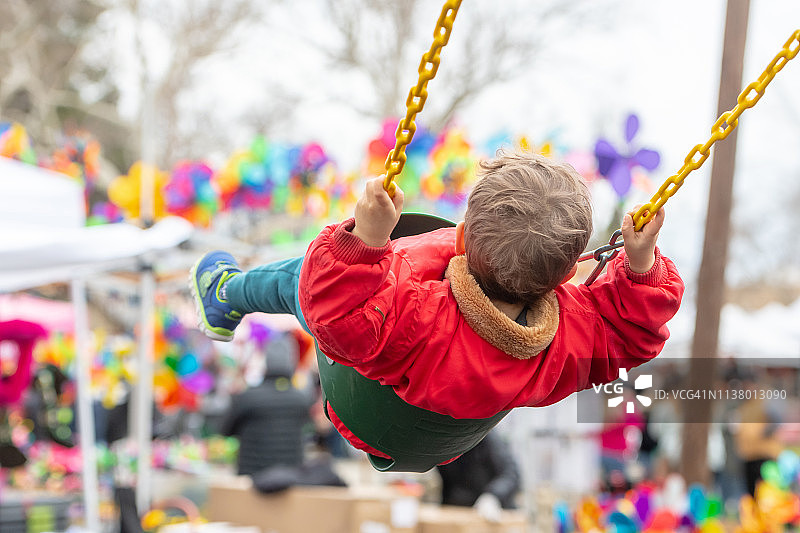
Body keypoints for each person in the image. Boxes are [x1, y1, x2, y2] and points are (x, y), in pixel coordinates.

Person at [191, 150, 684, 463]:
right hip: (432, 444)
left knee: (302, 278)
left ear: (463, 237)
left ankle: (225, 294)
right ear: (567, 274)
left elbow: (334, 308)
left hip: (362, 413)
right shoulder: (570, 344)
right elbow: (632, 333)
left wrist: (365, 241)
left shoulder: (414, 318)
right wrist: (639, 264)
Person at [219, 334, 314, 476]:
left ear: (266, 362)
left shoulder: (248, 396)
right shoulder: (302, 398)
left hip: (252, 477)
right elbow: (310, 430)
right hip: (289, 477)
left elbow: (226, 430)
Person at [436, 431, 521, 522]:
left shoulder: (486, 436)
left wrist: (492, 496)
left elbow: (510, 474)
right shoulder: (442, 442)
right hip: (459, 515)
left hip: (493, 514)